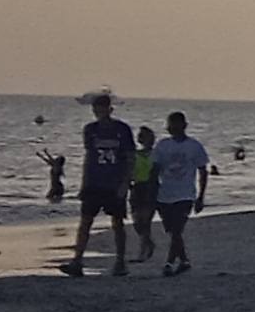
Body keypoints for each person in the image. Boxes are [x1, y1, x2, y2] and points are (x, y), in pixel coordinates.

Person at [64, 90, 140, 276]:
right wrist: (84, 183)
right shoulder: (90, 129)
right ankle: (77, 261)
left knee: (117, 223)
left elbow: (130, 158)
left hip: (114, 182)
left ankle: (120, 261)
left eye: (102, 108)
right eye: (96, 109)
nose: (99, 112)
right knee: (86, 222)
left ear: (110, 109)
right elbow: (89, 157)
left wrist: (125, 183)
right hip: (94, 182)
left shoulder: (122, 130)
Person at [148, 110, 210, 273]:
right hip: (164, 195)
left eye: (177, 125)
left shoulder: (194, 146)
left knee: (177, 229)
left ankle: (169, 263)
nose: (173, 128)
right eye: (171, 125)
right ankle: (184, 261)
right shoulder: (162, 146)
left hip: (185, 194)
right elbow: (154, 170)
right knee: (172, 231)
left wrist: (200, 197)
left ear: (184, 126)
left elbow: (203, 170)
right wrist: (150, 192)